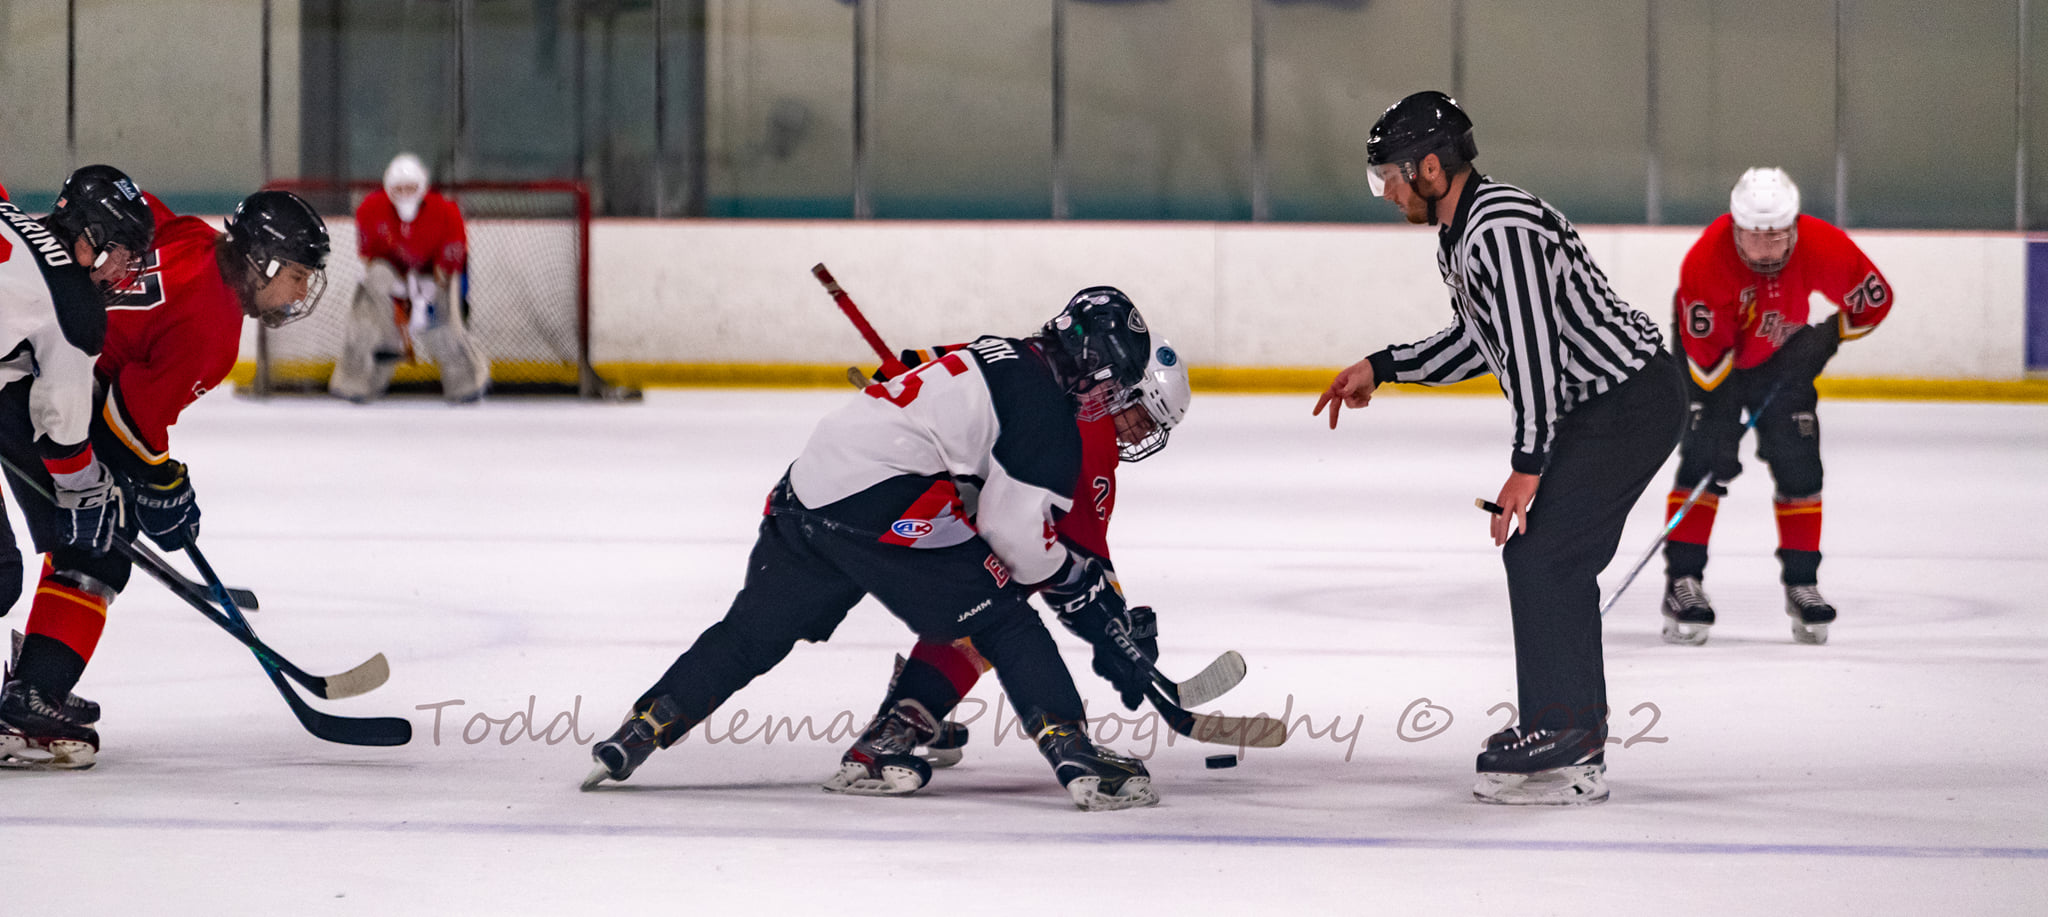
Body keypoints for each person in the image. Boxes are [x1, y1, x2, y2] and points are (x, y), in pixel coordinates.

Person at [584, 287, 1169, 811]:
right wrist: (1073, 575)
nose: (1111, 400)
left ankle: (643, 727)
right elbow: (1016, 542)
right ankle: (1076, 759)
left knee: (750, 635)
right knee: (1004, 616)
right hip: (876, 501)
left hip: (804, 491)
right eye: (1116, 384)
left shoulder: (997, 350)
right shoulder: (1048, 416)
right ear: (1094, 369)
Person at [1314, 91, 1686, 805]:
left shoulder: (1498, 229)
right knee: (1542, 553)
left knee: (1548, 553)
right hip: (1602, 406)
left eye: (1389, 175)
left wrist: (1527, 465)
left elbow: (1536, 355)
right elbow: (1480, 341)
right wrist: (1383, 366)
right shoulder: (1465, 232)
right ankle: (1564, 729)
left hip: (1629, 402)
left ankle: (1568, 737)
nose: (1387, 192)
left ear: (1429, 166)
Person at [0, 187, 330, 769]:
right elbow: (125, 424)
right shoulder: (214, 331)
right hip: (43, 396)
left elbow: (140, 204)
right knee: (99, 545)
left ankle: (33, 679)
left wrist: (155, 482)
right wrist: (166, 483)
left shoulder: (194, 238)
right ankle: (31, 698)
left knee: (87, 526)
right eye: (298, 275)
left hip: (31, 369)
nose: (301, 292)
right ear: (262, 261)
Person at [821, 336, 1190, 796]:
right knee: (1001, 605)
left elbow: (932, 361)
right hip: (938, 516)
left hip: (911, 502)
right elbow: (1084, 547)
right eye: (1144, 416)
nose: (1142, 433)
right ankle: (915, 709)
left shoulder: (1026, 362)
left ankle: (915, 704)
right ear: (1123, 390)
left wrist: (897, 375)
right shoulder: (1095, 441)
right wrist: (1116, 626)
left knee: (990, 603)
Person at [1659, 168, 1892, 647]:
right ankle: (1682, 583)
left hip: (1779, 357)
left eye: (1777, 237)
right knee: (1704, 458)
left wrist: (1826, 337)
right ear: (1735, 228)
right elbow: (1707, 366)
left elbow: (1875, 299)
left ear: (1795, 228)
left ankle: (1802, 583)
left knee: (1801, 464)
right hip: (1709, 361)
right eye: (1753, 237)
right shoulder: (1707, 259)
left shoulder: (1822, 245)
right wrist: (1722, 426)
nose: (1766, 249)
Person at [331, 152, 486, 404]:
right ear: (387, 188)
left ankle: (466, 383)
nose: (405, 193)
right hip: (394, 273)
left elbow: (452, 258)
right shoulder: (370, 209)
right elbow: (371, 259)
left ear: (423, 187)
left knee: (445, 323)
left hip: (434, 272)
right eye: (398, 188)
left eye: (411, 187)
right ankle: (356, 380)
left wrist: (426, 293)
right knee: (366, 318)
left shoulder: (446, 211)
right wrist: (396, 296)